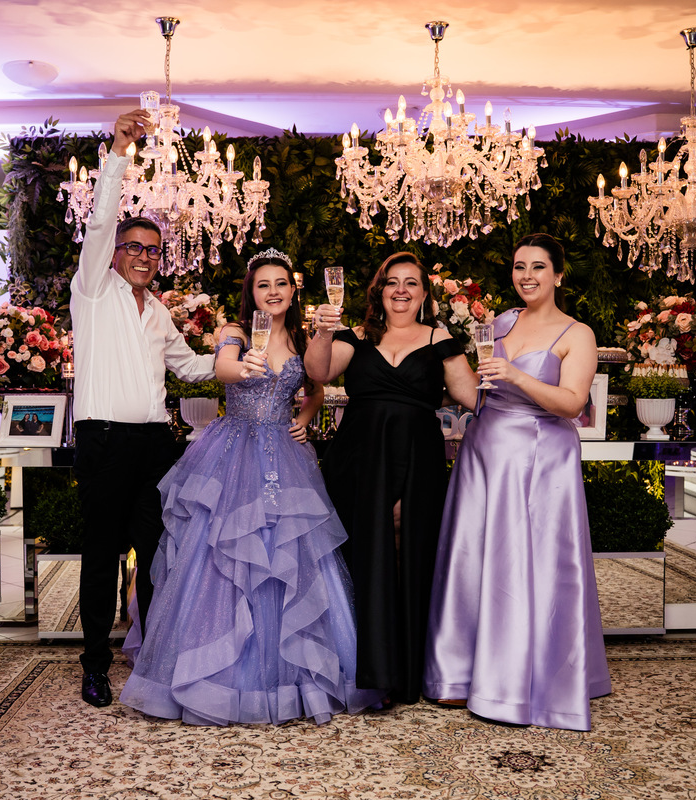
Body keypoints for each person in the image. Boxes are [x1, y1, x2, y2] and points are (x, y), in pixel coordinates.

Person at [120, 249, 383, 725]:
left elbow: (316, 386)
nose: (273, 292)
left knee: (288, 555)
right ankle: (216, 676)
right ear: (252, 292)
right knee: (221, 557)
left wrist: (304, 418)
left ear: (293, 291)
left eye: (281, 283)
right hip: (233, 450)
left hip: (284, 454)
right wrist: (242, 367)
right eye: (264, 285)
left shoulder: (302, 339)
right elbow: (223, 366)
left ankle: (291, 681)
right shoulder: (237, 332)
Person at [423, 232, 611, 729]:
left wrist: (517, 375)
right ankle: (460, 673)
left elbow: (572, 404)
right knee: (473, 558)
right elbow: (478, 392)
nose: (526, 276)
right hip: (485, 449)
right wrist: (445, 355)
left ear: (558, 275)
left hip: (539, 456)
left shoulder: (577, 334)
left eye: (538, 267)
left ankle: (519, 681)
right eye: (519, 266)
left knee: (529, 564)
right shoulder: (499, 323)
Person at [71, 110, 215, 708]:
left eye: (153, 251)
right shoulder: (92, 290)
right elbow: (101, 220)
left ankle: (154, 661)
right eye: (133, 247)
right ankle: (95, 666)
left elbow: (192, 368)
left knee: (158, 556)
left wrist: (243, 353)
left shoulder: (157, 310)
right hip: (103, 441)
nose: (144, 256)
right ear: (114, 253)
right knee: (102, 556)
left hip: (156, 446)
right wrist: (118, 152)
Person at [305, 253, 477, 706]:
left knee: (409, 552)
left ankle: (405, 670)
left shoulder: (440, 338)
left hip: (417, 458)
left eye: (411, 283)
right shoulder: (358, 335)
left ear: (424, 293)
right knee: (361, 553)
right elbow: (319, 372)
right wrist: (323, 332)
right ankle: (365, 671)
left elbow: (472, 395)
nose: (401, 290)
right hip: (357, 458)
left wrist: (513, 374)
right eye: (392, 282)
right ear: (379, 291)